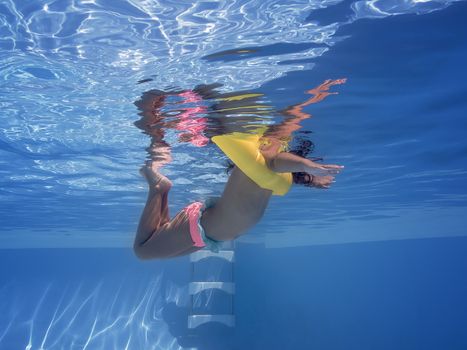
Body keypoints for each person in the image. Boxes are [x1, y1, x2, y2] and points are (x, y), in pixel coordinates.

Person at [133, 79, 345, 259]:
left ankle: (159, 188)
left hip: (210, 233)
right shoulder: (265, 160)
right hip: (207, 231)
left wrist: (311, 176)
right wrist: (311, 168)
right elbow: (279, 162)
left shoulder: (263, 161)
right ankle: (158, 187)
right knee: (143, 251)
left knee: (150, 247)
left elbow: (283, 165)